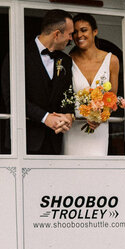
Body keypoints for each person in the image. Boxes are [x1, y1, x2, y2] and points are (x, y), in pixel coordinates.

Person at [64, 13, 122, 157]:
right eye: (75, 32)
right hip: (73, 128)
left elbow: (112, 97)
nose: (79, 35)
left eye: (83, 30)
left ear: (95, 31)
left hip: (98, 129)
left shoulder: (112, 60)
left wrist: (100, 117)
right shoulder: (67, 61)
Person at [25, 9, 75, 154]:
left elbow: (68, 95)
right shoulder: (19, 54)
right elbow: (11, 99)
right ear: (57, 34)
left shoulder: (65, 61)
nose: (71, 39)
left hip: (55, 141)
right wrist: (45, 117)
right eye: (70, 34)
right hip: (27, 140)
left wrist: (68, 115)